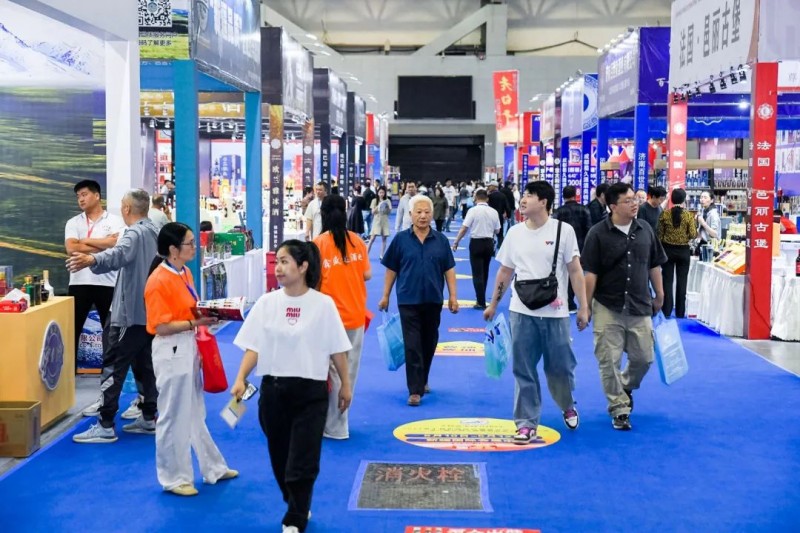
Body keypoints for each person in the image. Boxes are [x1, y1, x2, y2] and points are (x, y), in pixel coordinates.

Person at [231, 240, 352, 533]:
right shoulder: (266, 303)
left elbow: (337, 350)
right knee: (281, 457)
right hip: (273, 391)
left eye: (285, 262)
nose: (279, 268)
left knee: (304, 458)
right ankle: (296, 500)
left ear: (303, 266)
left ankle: (295, 517)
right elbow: (254, 346)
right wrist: (241, 377)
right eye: (277, 262)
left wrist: (346, 385)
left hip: (311, 393)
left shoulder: (323, 305)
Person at [483, 181, 589, 443]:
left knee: (560, 367)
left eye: (529, 195)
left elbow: (575, 271)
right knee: (523, 368)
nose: (523, 200)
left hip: (556, 313)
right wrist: (494, 303)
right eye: (524, 195)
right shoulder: (515, 233)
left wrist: (584, 306)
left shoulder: (563, 231)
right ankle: (526, 423)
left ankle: (566, 403)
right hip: (521, 311)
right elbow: (505, 271)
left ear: (543, 202)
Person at [143, 222, 236, 496]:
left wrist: (207, 317)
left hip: (188, 345)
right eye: (190, 243)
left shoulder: (184, 272)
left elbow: (189, 309)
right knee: (172, 414)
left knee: (195, 411)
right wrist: (195, 323)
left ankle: (213, 467)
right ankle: (174, 478)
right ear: (173, 249)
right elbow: (160, 326)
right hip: (170, 349)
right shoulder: (158, 281)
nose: (195, 247)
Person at [69, 189, 161, 443]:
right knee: (145, 366)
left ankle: (106, 423)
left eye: (122, 205)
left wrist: (91, 259)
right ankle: (149, 416)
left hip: (128, 314)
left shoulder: (134, 233)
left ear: (127, 209)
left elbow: (117, 254)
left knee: (112, 366)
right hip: (147, 313)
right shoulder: (154, 230)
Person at [581, 182, 667, 431]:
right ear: (613, 206)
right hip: (608, 305)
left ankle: (626, 386)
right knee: (608, 360)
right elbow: (590, 273)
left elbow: (654, 264)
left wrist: (660, 293)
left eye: (635, 199)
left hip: (640, 304)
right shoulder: (597, 233)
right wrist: (585, 306)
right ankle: (619, 408)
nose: (634, 204)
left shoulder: (645, 230)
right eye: (628, 200)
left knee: (644, 358)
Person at [379, 195, 459, 406]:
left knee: (429, 342)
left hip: (433, 299)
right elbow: (391, 269)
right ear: (410, 214)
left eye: (427, 212)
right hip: (408, 299)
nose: (423, 216)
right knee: (412, 344)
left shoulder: (441, 240)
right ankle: (415, 390)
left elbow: (449, 270)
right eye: (419, 212)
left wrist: (453, 296)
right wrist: (385, 295)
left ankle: (423, 379)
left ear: (432, 215)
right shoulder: (400, 240)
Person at [314, 195, 371, 439]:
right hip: (355, 314)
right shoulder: (357, 241)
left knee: (332, 372)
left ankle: (335, 426)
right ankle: (339, 421)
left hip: (329, 318)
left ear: (323, 214)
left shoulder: (319, 243)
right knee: (349, 372)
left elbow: (314, 282)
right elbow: (367, 275)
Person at [64, 179, 125, 374]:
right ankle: (69, 375)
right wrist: (104, 243)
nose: (80, 199)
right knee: (72, 330)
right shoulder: (73, 222)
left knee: (111, 331)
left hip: (108, 282)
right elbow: (71, 248)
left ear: (97, 195)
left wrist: (86, 240)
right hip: (79, 282)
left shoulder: (115, 221)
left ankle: (110, 375)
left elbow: (116, 245)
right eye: (78, 196)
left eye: (84, 195)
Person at [452, 189, 500, 310]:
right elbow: (497, 230)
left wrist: (456, 241)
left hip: (476, 242)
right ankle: (482, 297)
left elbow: (464, 228)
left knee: (477, 273)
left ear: (475, 198)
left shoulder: (472, 211)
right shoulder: (494, 211)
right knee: (485, 271)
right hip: (489, 243)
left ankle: (480, 301)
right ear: (487, 199)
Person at [658, 189, 697, 319]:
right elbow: (693, 234)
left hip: (667, 251)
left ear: (671, 199)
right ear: (684, 200)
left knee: (667, 281)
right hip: (683, 251)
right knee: (682, 282)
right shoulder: (688, 215)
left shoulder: (664, 214)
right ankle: (680, 312)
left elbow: (659, 234)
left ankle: (667, 310)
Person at [554, 185, 592, 313]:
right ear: (575, 195)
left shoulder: (558, 211)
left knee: (563, 273)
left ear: (563, 196)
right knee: (577, 273)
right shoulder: (584, 209)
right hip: (581, 247)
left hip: (562, 247)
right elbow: (589, 229)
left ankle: (566, 300)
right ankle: (575, 302)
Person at [367, 186, 392, 259]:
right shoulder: (374, 200)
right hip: (376, 221)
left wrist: (386, 207)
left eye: (383, 192)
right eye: (380, 192)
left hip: (384, 221)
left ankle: (382, 255)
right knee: (372, 239)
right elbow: (372, 212)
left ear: (385, 193)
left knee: (384, 239)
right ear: (377, 193)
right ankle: (366, 254)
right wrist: (379, 205)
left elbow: (389, 212)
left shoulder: (387, 201)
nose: (381, 194)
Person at [487, 181, 510, 250]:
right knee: (500, 232)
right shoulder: (503, 195)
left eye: (490, 186)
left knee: (490, 232)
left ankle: (491, 247)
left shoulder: (489, 196)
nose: (489, 187)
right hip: (499, 215)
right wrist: (508, 215)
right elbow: (507, 206)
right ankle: (500, 246)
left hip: (490, 216)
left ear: (494, 186)